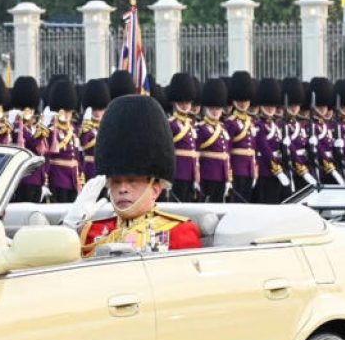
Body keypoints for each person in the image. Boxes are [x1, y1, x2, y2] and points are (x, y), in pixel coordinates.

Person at [62, 94, 202, 256]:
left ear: (155, 189)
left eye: (132, 181)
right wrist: (69, 229)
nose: (122, 189)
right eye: (116, 181)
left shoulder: (179, 232)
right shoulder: (91, 231)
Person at [195, 78, 231, 203]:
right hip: (207, 173)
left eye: (218, 108)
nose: (215, 111)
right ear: (206, 109)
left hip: (222, 174)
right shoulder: (201, 128)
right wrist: (196, 175)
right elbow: (196, 154)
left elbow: (227, 154)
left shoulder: (223, 128)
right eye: (212, 108)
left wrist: (228, 176)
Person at [225, 71, 258, 203]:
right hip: (237, 168)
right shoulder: (230, 122)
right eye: (240, 100)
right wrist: (229, 172)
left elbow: (253, 148)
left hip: (249, 168)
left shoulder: (250, 122)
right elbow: (227, 150)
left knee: (247, 201)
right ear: (234, 101)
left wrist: (255, 168)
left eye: (245, 100)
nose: (243, 104)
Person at [166, 72, 199, 203]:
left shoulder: (190, 124)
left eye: (187, 102)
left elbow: (194, 152)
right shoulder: (171, 124)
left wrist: (196, 171)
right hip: (178, 171)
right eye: (182, 101)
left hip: (190, 172)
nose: (185, 105)